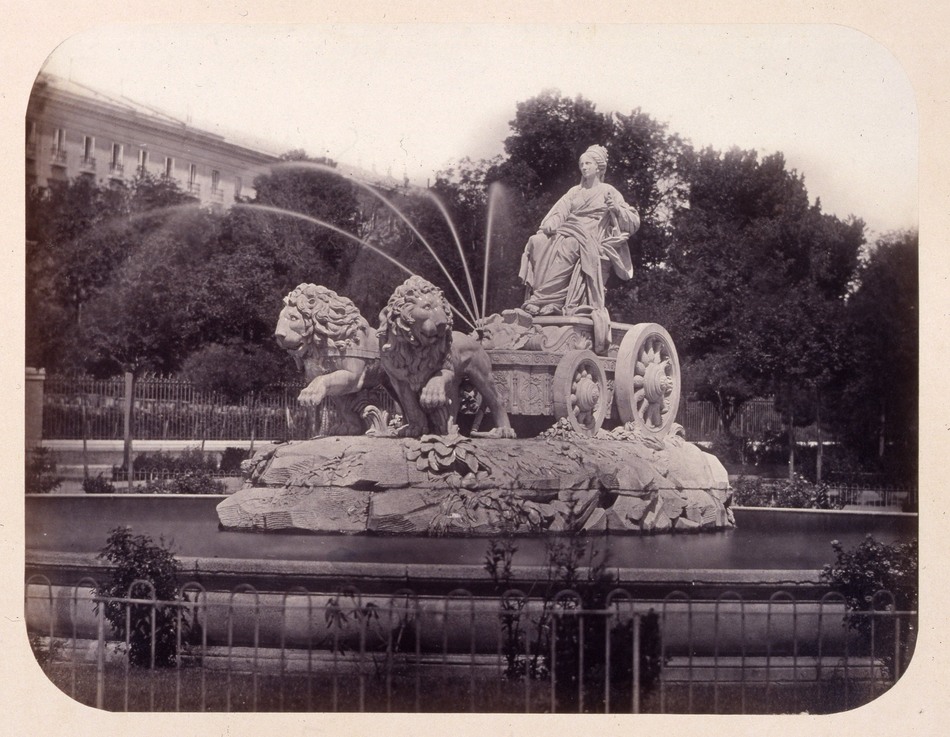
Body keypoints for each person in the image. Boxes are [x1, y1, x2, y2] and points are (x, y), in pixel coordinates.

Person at [518, 145, 640, 319]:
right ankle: (544, 298)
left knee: (571, 245)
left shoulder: (608, 190)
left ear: (598, 167)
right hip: (568, 230)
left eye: (588, 163)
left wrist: (617, 209)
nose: (583, 167)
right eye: (581, 164)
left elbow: (634, 220)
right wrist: (552, 223)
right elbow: (560, 211)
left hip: (591, 236)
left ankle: (546, 300)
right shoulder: (574, 191)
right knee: (536, 241)